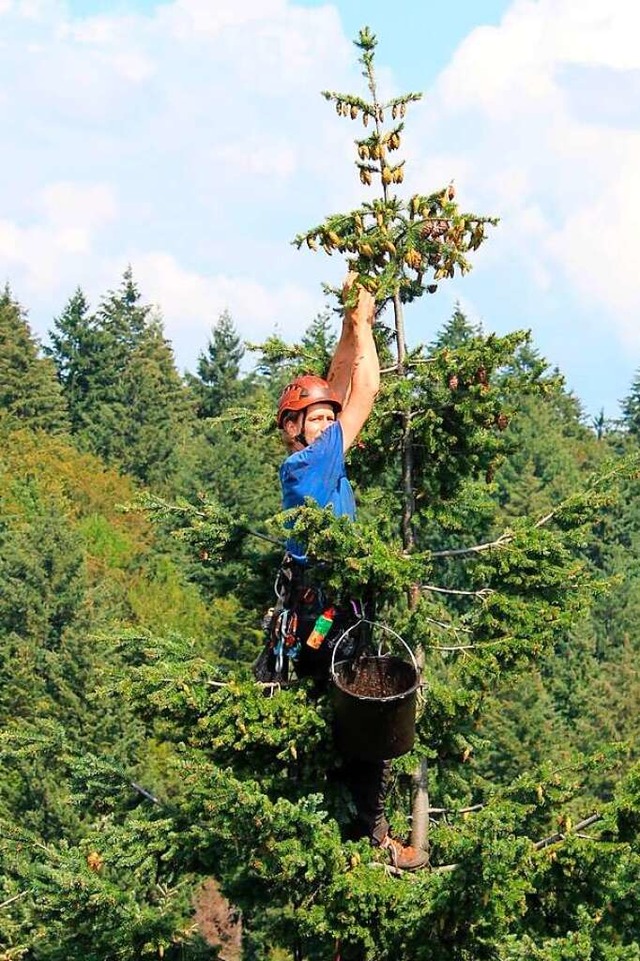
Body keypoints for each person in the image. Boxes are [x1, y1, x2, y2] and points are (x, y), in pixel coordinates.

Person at [271, 272, 428, 872]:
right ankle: (374, 836)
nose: (321, 422)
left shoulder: (310, 453)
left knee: (353, 718)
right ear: (291, 430)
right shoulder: (313, 461)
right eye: (309, 419)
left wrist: (345, 323)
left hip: (324, 610)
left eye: (321, 418)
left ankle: (355, 829)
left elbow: (336, 384)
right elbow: (363, 393)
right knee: (368, 720)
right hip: (329, 616)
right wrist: (364, 325)